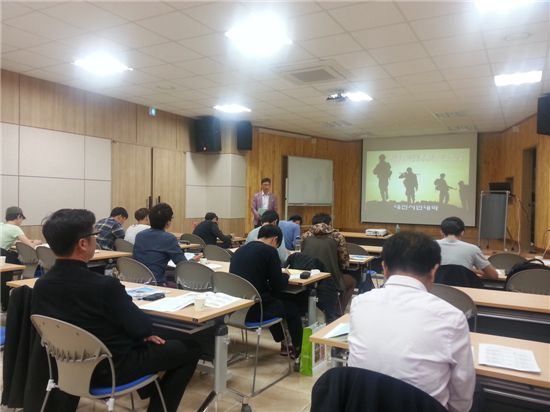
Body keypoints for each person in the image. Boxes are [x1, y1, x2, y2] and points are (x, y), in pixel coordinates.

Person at [31, 208, 199, 412]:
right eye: (94, 234)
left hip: (65, 368)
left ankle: (150, 391)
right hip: (111, 369)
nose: (96, 239)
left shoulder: (41, 285)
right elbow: (143, 327)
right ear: (83, 244)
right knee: (190, 347)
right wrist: (143, 333)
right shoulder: (104, 286)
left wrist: (139, 332)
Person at [348, 232, 475, 412]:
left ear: (384, 268)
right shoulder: (451, 317)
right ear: (434, 271)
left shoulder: (359, 303)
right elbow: (462, 394)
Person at [230, 225, 303, 357]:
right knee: (292, 309)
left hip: (235, 310)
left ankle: (284, 342)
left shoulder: (240, 250)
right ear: (275, 239)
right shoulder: (270, 252)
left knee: (273, 300)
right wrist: (286, 275)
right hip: (256, 311)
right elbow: (278, 285)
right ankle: (298, 351)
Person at [133, 203, 200, 286]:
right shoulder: (169, 238)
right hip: (157, 283)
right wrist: (193, 260)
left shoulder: (139, 235)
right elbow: (183, 266)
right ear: (168, 222)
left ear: (149, 219)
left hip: (137, 281)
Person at [301, 213, 354, 312]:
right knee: (351, 282)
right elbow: (344, 262)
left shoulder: (305, 236)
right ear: (329, 223)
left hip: (308, 279)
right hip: (330, 279)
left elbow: (302, 254)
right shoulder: (337, 236)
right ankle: (338, 312)